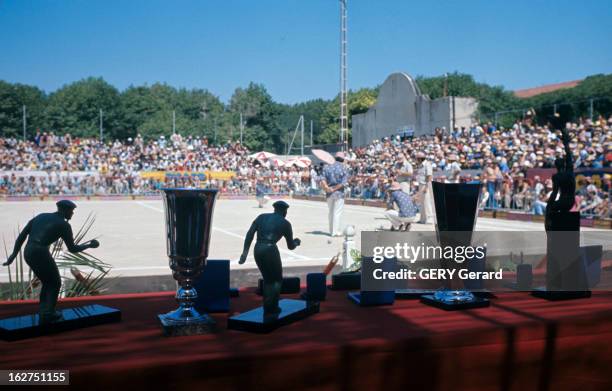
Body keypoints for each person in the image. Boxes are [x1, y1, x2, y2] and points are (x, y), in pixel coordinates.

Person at [3, 200, 100, 324]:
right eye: (71, 211)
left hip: (28, 251)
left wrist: (13, 255)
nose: (72, 213)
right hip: (40, 252)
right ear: (65, 210)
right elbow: (72, 248)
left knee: (47, 282)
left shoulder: (41, 216)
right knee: (55, 283)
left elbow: (22, 236)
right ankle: (48, 313)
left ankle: (45, 312)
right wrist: (89, 245)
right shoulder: (64, 225)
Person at [238, 201, 301, 317]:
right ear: (285, 211)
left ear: (274, 209)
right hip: (270, 249)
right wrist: (296, 242)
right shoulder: (285, 223)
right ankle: (272, 307)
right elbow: (290, 246)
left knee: (268, 280)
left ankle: (268, 306)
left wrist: (244, 253)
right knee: (276, 280)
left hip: (258, 248)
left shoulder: (261, 217)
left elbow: (250, 234)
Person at [321, 152, 349, 237]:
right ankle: (335, 232)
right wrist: (334, 189)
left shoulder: (327, 167)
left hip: (329, 193)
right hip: (339, 193)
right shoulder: (344, 168)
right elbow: (343, 183)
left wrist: (327, 188)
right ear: (343, 159)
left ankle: (331, 231)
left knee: (330, 212)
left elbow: (322, 179)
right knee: (337, 213)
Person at [416, 152, 434, 224]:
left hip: (425, 185)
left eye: (417, 158)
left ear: (420, 159)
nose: (416, 160)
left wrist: (427, 187)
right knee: (422, 202)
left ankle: (430, 219)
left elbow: (429, 176)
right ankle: (423, 219)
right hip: (421, 184)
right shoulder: (420, 165)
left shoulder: (427, 164)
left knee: (427, 202)